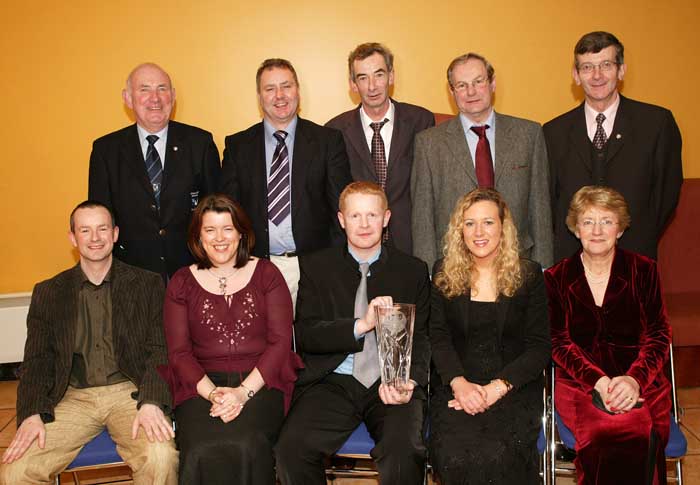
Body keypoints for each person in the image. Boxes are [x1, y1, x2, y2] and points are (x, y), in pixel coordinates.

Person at [0, 201, 177, 485]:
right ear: (73, 237)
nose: (95, 238)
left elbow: (159, 349)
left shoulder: (147, 284)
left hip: (129, 392)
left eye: (102, 229)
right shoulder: (48, 293)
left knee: (161, 458)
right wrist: (31, 412)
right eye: (85, 230)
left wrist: (153, 400)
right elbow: (37, 360)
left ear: (115, 233)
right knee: (15, 473)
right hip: (72, 397)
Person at [274, 181, 430, 484]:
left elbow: (422, 338)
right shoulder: (317, 267)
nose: (364, 224)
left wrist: (407, 381)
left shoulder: (412, 270)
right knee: (291, 449)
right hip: (332, 381)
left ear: (386, 219)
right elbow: (306, 334)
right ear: (341, 219)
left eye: (372, 215)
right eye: (355, 216)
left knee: (403, 450)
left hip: (390, 383)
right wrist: (361, 325)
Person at [158, 193, 302, 484]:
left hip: (262, 382)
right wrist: (213, 393)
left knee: (245, 443)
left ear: (241, 233)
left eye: (227, 228)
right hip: (199, 386)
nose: (219, 238)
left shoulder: (267, 274)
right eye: (210, 230)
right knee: (200, 448)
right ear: (198, 237)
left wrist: (241, 393)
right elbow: (179, 353)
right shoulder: (181, 282)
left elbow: (280, 343)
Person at [545, 186, 672, 484]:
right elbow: (558, 342)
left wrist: (633, 380)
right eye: (588, 221)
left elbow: (658, 334)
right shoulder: (556, 278)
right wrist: (599, 382)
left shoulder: (644, 270)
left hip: (643, 381)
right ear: (576, 229)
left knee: (638, 429)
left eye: (607, 221)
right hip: (581, 385)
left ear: (620, 228)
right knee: (607, 432)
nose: (597, 230)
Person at [429, 188, 550, 484]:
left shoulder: (529, 275)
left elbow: (539, 347)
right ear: (460, 230)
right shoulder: (444, 272)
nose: (478, 232)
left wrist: (498, 387)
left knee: (498, 453)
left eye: (488, 222)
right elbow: (438, 337)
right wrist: (459, 384)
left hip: (513, 387)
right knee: (456, 454)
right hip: (457, 387)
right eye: (469, 223)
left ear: (503, 227)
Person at [220, 58, 352, 306]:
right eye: (270, 89)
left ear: (298, 91)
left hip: (314, 268)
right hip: (256, 267)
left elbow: (340, 208)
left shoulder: (328, 141)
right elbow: (229, 213)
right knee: (264, 344)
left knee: (310, 343)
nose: (279, 95)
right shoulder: (238, 146)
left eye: (286, 86)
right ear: (259, 97)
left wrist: (333, 266)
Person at [544, 31, 683, 262]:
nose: (597, 75)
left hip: (635, 257)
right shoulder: (552, 132)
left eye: (606, 65)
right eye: (587, 67)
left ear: (621, 70)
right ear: (576, 76)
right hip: (571, 263)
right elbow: (548, 202)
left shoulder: (656, 124)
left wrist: (635, 234)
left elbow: (666, 195)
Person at [411, 52, 552, 270]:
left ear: (492, 83)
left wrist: (544, 269)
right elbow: (422, 219)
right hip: (453, 267)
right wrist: (428, 274)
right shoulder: (429, 143)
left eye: (478, 82)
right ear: (452, 91)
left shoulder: (529, 134)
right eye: (461, 85)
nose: (471, 92)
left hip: (518, 263)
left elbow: (540, 208)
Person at [89, 62, 221, 280]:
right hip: (131, 276)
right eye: (144, 89)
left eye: (162, 88)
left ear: (173, 95)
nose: (155, 98)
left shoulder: (200, 143)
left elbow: (217, 211)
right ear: (128, 98)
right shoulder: (106, 151)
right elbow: (99, 218)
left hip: (194, 272)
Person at [326, 42, 435, 254]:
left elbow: (428, 189)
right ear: (353, 84)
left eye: (379, 75)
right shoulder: (334, 130)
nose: (372, 86)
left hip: (410, 243)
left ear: (391, 76)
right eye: (363, 78)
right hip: (357, 246)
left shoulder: (421, 121)